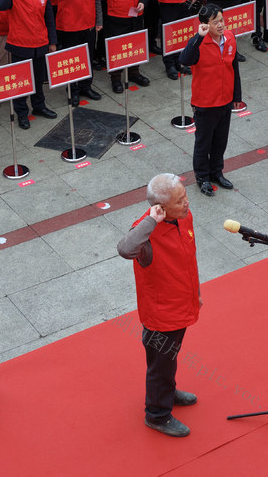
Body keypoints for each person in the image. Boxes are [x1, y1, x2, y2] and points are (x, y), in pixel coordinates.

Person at [117, 173, 200, 438]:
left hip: (182, 306)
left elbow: (188, 258)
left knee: (169, 358)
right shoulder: (145, 235)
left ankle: (168, 391)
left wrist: (194, 292)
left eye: (185, 196)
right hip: (161, 316)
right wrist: (151, 220)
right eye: (179, 201)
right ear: (161, 208)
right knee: (159, 365)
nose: (186, 203)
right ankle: (157, 414)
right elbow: (125, 249)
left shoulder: (184, 218)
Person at [178, 4, 240, 196]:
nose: (221, 25)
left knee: (220, 140)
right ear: (205, 25)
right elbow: (185, 60)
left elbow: (234, 68)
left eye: (221, 20)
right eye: (215, 22)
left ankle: (217, 172)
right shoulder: (198, 43)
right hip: (205, 102)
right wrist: (198, 37)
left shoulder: (229, 38)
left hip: (225, 99)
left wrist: (237, 95)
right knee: (203, 143)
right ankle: (203, 177)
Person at [0, 0, 58, 129]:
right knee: (21, 81)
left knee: (38, 79)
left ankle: (39, 106)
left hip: (40, 43)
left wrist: (52, 41)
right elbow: (0, 6)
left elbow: (49, 18)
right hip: (20, 45)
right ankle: (22, 113)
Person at [49, 0, 102, 106]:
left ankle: (86, 86)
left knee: (88, 56)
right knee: (72, 59)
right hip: (69, 24)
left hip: (88, 22)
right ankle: (73, 90)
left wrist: (98, 19)